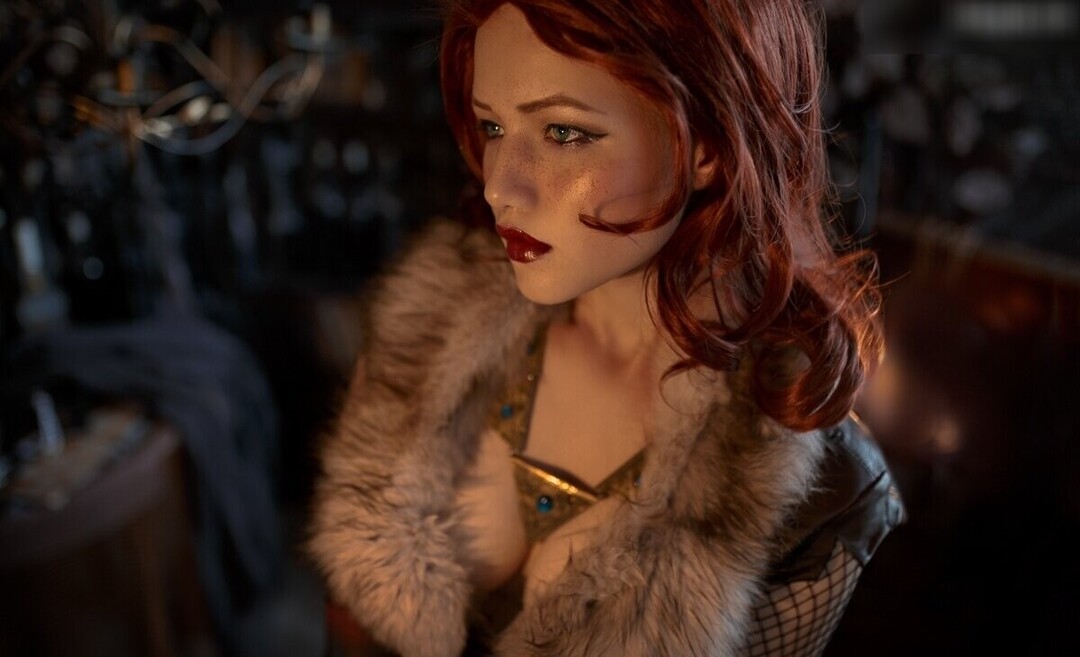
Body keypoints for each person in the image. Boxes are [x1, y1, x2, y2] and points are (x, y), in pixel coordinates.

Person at [308, 1, 904, 655]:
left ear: (708, 146)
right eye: (493, 126)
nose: (500, 187)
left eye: (564, 133)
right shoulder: (429, 328)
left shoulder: (825, 492)